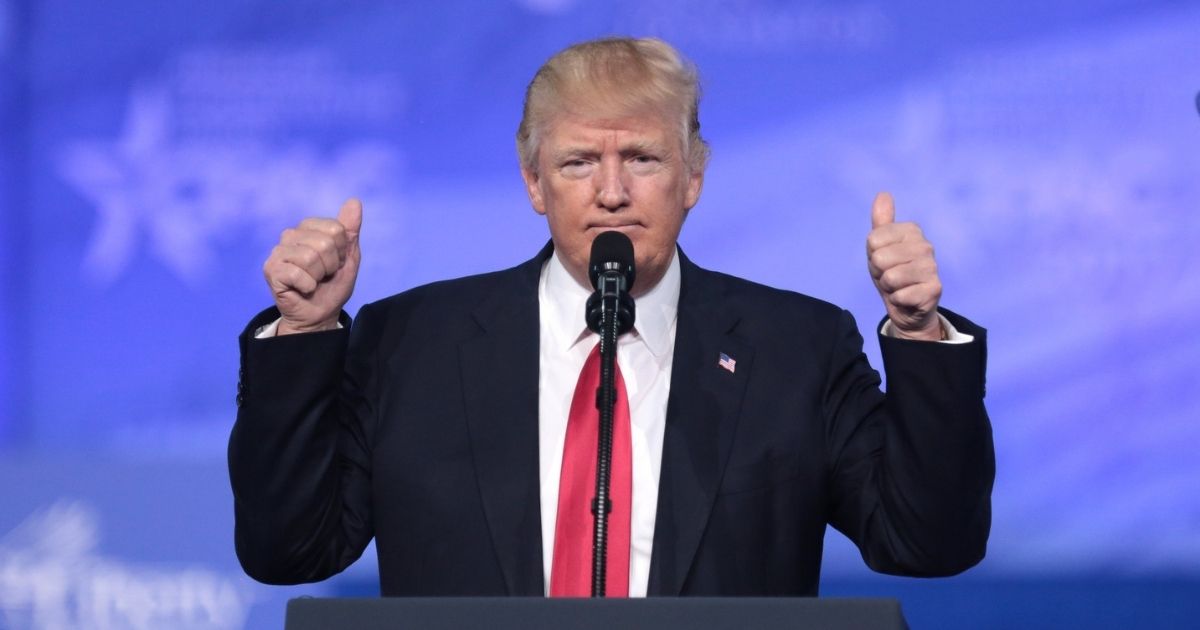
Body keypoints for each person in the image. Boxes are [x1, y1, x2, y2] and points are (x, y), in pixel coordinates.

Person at [228, 37, 993, 597]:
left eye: (643, 158)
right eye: (577, 163)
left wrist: (921, 336)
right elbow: (290, 550)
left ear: (694, 175)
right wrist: (303, 334)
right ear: (534, 183)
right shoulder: (409, 344)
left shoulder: (797, 348)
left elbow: (927, 544)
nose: (612, 192)